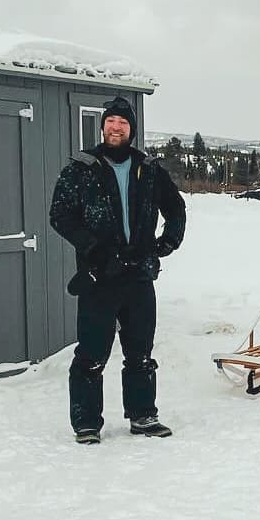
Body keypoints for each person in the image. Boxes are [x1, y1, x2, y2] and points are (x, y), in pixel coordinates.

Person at [49, 95, 187, 444]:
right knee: (91, 355)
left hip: (139, 276)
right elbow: (60, 215)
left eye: (123, 123)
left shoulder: (149, 169)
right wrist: (93, 248)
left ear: (131, 130)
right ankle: (86, 423)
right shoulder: (82, 168)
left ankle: (143, 415)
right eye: (111, 121)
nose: (116, 127)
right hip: (100, 276)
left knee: (140, 353)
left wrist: (167, 242)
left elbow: (176, 207)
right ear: (103, 127)